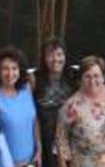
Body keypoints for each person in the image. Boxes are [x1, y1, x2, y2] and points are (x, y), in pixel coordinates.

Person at [0, 47, 41, 167]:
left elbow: (34, 121)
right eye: (5, 69)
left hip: (32, 160)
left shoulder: (27, 88)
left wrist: (39, 148)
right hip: (7, 163)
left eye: (14, 68)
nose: (10, 73)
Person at [35, 38, 75, 167]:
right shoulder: (35, 80)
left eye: (59, 54)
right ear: (43, 58)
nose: (55, 59)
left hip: (72, 138)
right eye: (50, 55)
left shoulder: (74, 77)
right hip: (46, 140)